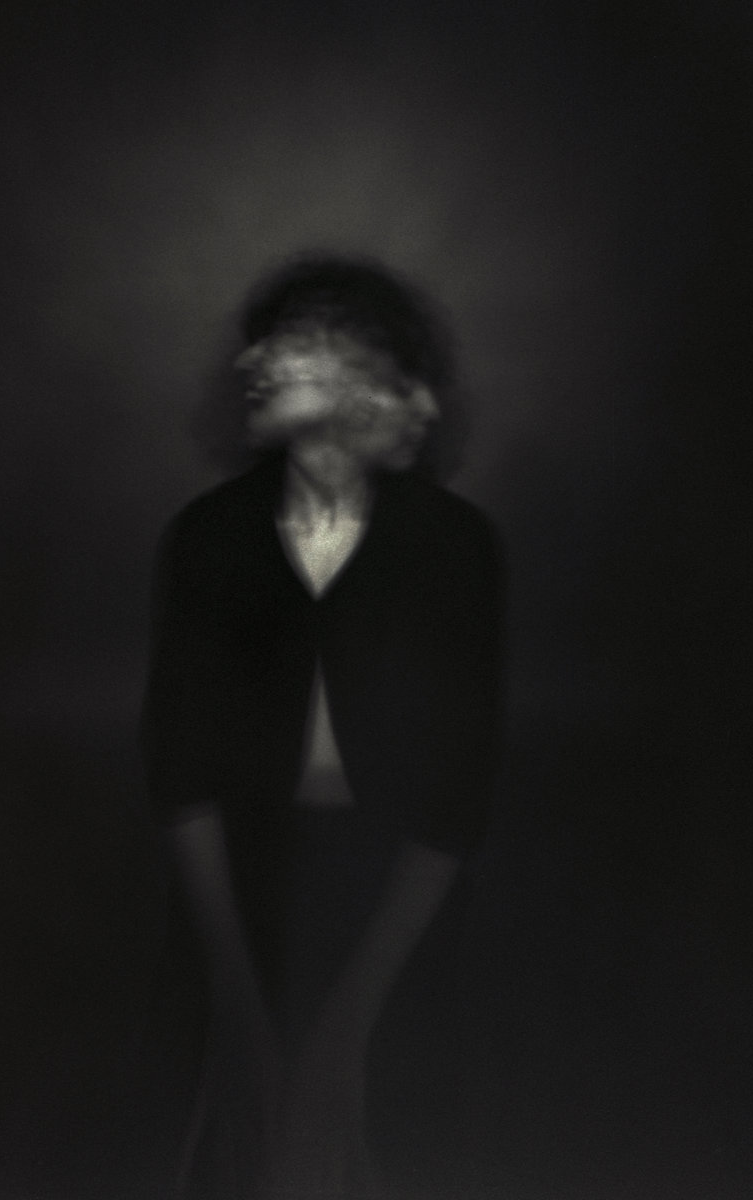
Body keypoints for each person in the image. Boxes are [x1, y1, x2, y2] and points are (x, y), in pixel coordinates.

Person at [140, 255, 504, 1199]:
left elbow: (456, 799)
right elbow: (181, 777)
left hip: (401, 903)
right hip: (238, 888)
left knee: (389, 1142)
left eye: (303, 339)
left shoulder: (454, 547)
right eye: (267, 342)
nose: (259, 362)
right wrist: (238, 1009)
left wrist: (347, 1031)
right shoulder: (211, 536)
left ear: (377, 376)